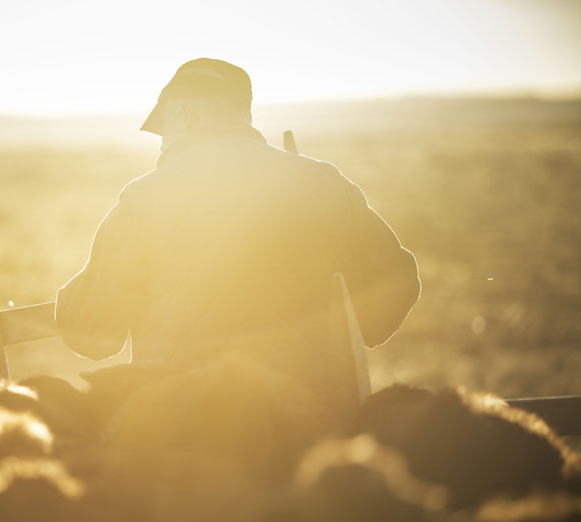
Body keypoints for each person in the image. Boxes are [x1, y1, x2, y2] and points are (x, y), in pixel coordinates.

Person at [56, 58, 419, 393]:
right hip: (315, 416)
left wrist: (73, 298)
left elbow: (90, 333)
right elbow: (395, 286)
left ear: (184, 112)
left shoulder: (142, 199)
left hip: (180, 426)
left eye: (163, 128)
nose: (162, 144)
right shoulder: (324, 182)